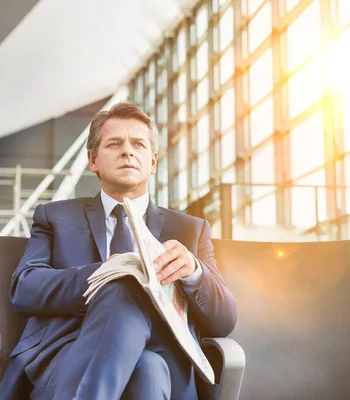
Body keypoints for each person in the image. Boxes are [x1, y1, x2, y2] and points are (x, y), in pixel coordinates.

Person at [0, 102, 237, 399]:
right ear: (93, 159)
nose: (127, 151)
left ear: (152, 162)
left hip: (165, 358)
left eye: (138, 144)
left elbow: (225, 319)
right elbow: (25, 288)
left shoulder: (191, 230)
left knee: (150, 367)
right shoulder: (55, 217)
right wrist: (103, 275)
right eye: (114, 144)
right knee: (123, 294)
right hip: (69, 358)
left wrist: (194, 271)